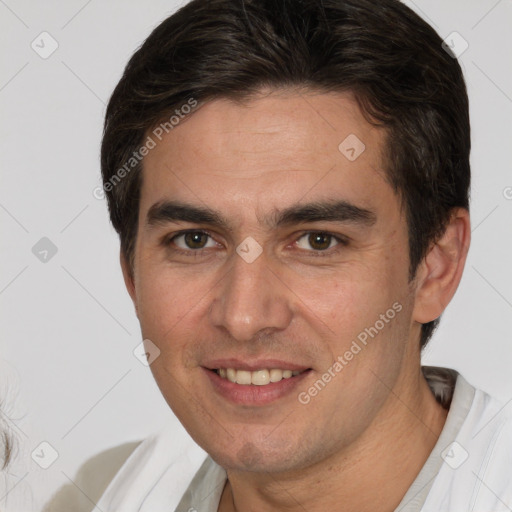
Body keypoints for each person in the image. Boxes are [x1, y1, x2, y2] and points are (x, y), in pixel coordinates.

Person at [89, 0, 512, 510]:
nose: (244, 317)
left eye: (318, 241)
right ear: (131, 272)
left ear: (434, 267)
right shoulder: (121, 490)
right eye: (195, 240)